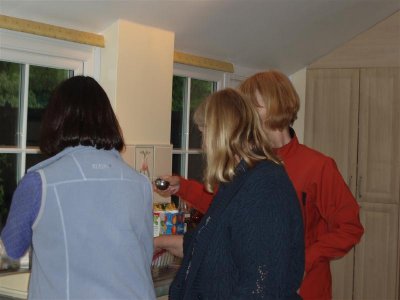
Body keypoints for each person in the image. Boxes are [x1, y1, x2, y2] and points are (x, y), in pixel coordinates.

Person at [155, 70, 364, 300]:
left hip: (303, 286)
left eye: (252, 105)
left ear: (278, 105)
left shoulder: (313, 166)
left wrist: (306, 258)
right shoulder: (247, 166)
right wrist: (182, 188)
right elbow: (228, 215)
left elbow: (349, 228)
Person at [1, 76, 156, 299]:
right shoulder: (140, 183)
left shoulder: (38, 183)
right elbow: (143, 254)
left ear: (56, 120)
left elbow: (12, 251)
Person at [160, 88, 304, 299]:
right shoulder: (237, 180)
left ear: (221, 134)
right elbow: (206, 243)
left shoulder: (264, 185)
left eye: (204, 134)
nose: (204, 147)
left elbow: (260, 285)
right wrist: (154, 242)